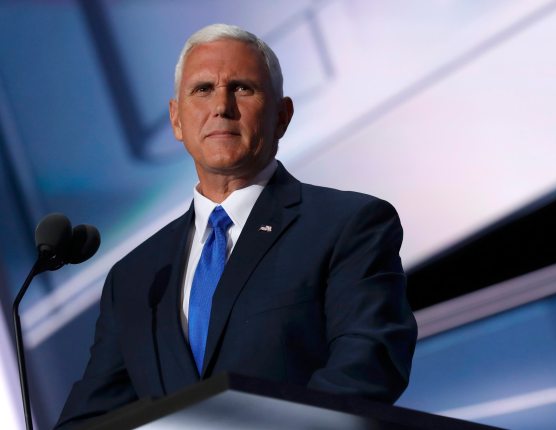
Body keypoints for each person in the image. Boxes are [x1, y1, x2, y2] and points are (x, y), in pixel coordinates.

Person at [56, 23, 416, 428]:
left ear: (282, 116)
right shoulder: (136, 276)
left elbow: (368, 365)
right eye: (202, 89)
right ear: (176, 119)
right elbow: (87, 420)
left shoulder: (348, 226)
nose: (221, 106)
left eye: (243, 88)